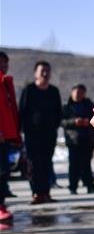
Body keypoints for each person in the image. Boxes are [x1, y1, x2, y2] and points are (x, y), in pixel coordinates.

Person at [19, 60, 62, 204]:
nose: (45, 73)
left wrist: (53, 126)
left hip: (49, 134)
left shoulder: (54, 91)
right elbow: (22, 112)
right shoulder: (29, 90)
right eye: (42, 70)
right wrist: (22, 131)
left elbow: (58, 113)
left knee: (46, 163)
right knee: (33, 164)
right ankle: (36, 193)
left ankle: (46, 193)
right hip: (32, 134)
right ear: (35, 73)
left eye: (47, 70)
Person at [61, 84, 94, 194]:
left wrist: (88, 122)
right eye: (76, 92)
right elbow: (62, 122)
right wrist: (74, 122)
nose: (78, 94)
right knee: (74, 165)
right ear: (72, 93)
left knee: (86, 164)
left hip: (87, 139)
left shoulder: (89, 105)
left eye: (81, 92)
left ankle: (90, 186)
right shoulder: (66, 107)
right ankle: (73, 187)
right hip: (73, 141)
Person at [0, 52, 20, 224]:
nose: (4, 66)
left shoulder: (6, 82)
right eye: (1, 63)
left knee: (4, 171)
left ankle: (1, 205)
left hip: (7, 135)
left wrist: (15, 133)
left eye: (5, 63)